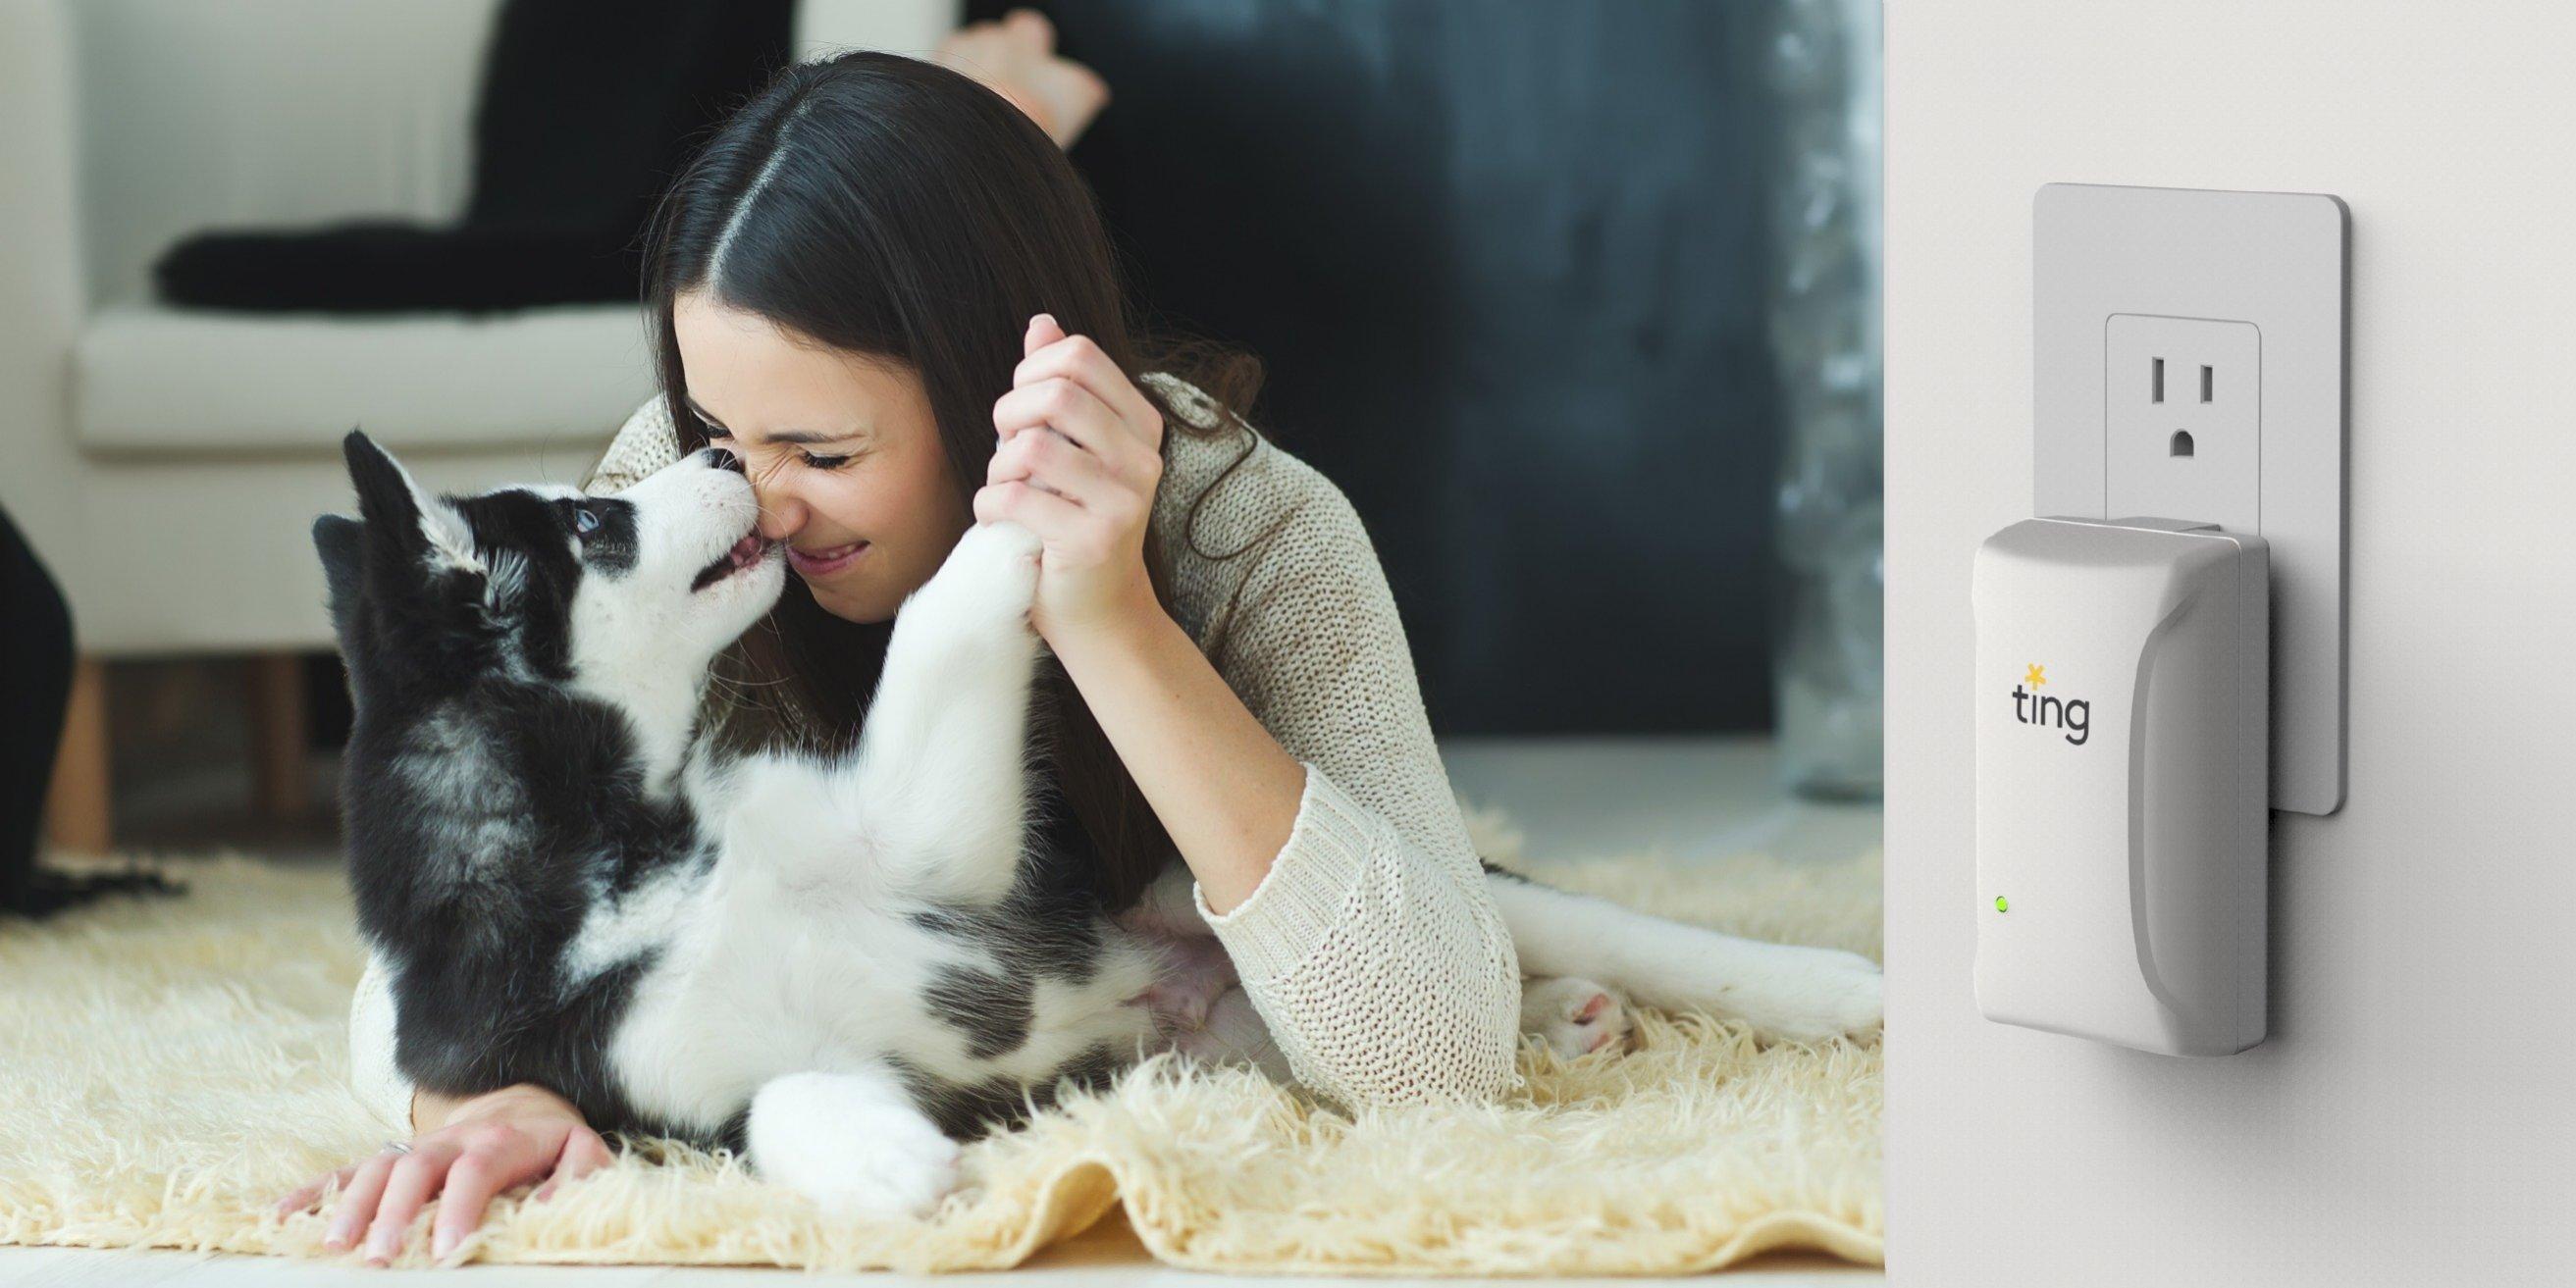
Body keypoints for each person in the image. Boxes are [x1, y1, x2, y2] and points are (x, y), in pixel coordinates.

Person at [282, 18, 1523, 1267]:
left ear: (995, 396)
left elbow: (1439, 1052)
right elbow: (443, 938)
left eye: (824, 455)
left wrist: (1106, 613)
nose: (756, 500)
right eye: (715, 423)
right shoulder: (685, 501)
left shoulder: (1248, 526)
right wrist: (488, 1095)